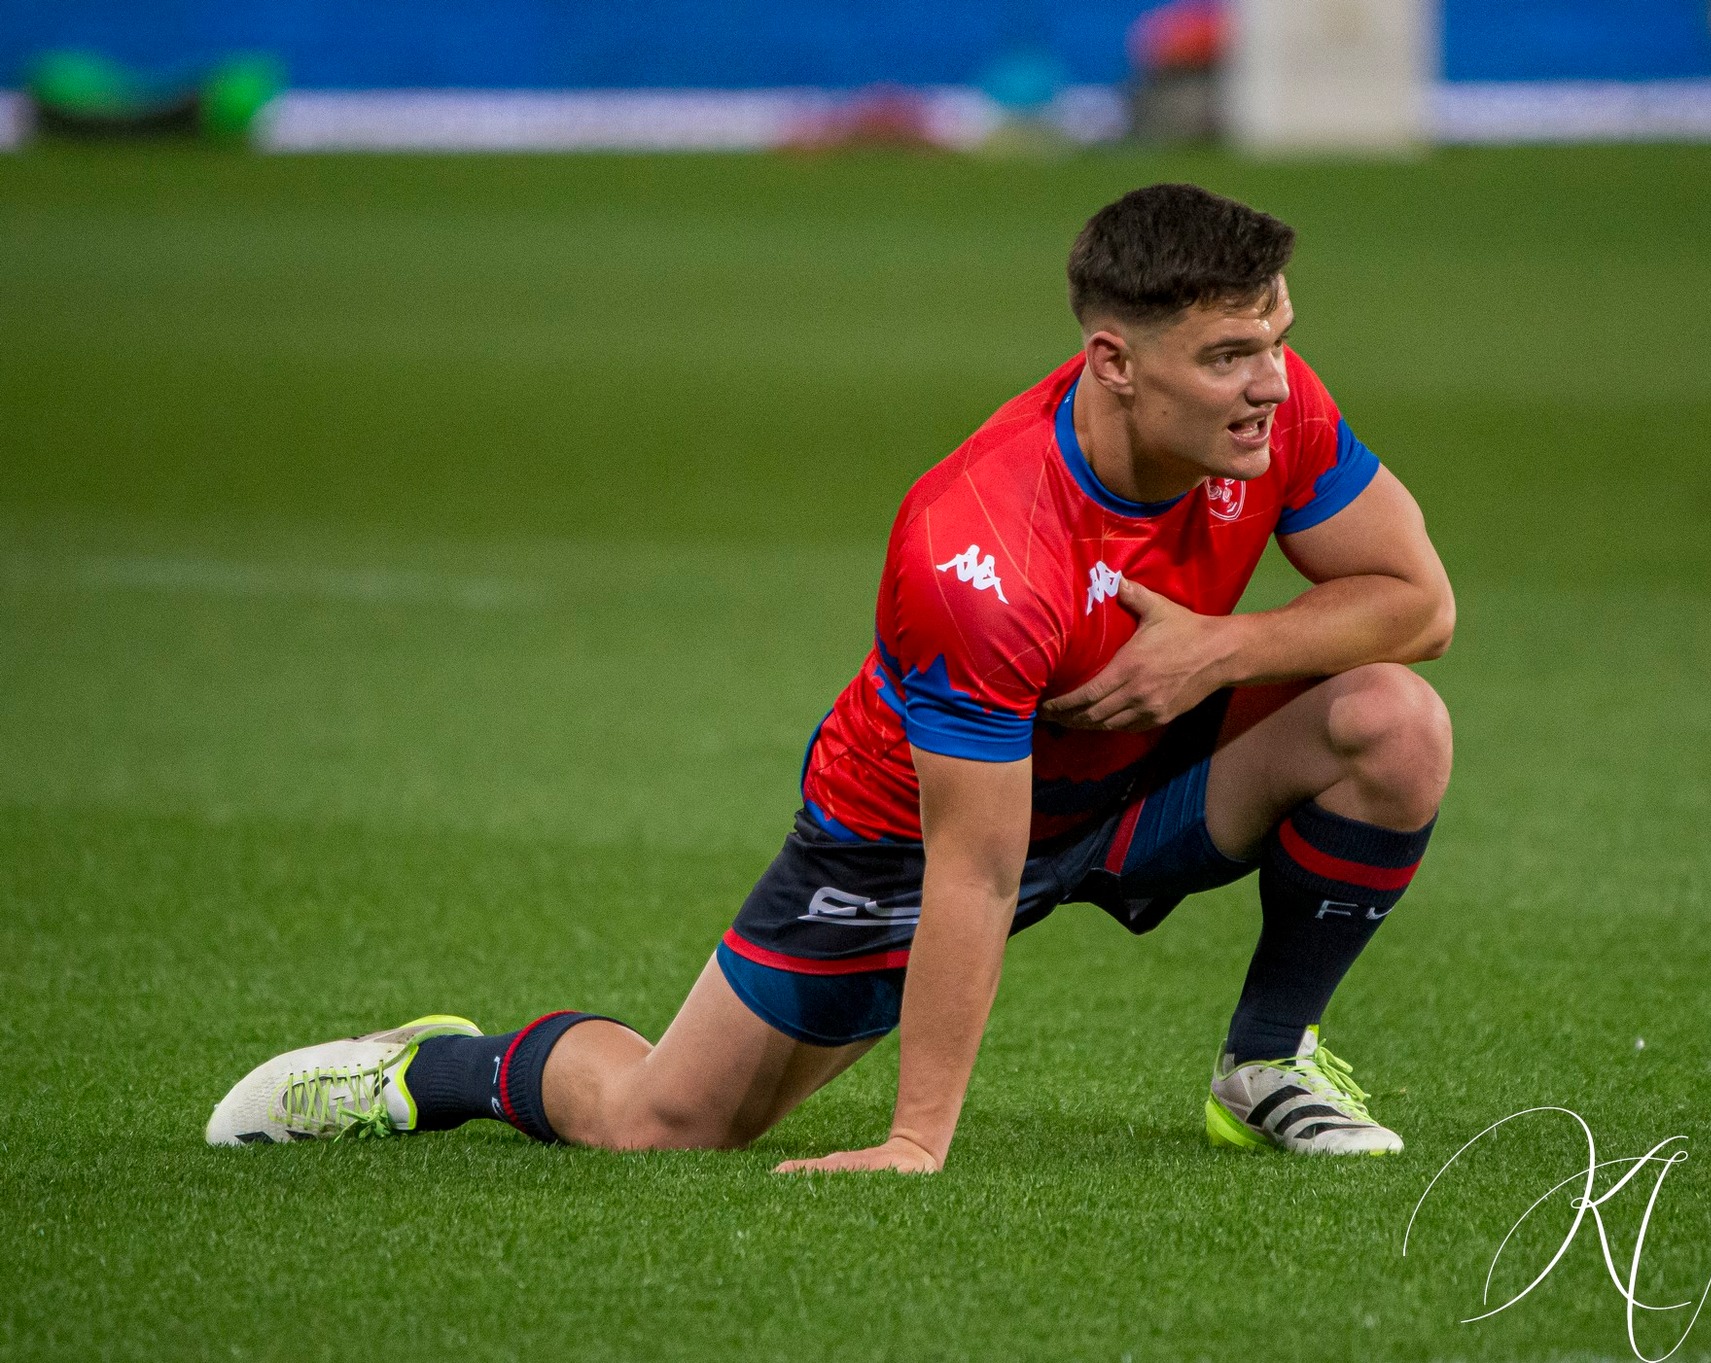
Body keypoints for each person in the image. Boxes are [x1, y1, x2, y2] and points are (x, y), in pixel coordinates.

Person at [206, 184, 1456, 1172]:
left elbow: (1417, 605)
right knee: (667, 1122)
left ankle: (1266, 1066)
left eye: (1278, 338)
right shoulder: (980, 547)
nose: (1273, 382)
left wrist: (1218, 648)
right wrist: (919, 1139)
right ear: (1114, 360)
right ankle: (433, 1070)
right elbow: (973, 864)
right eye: (1232, 353)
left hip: (1145, 762)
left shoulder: (1275, 415)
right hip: (908, 836)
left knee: (1390, 719)